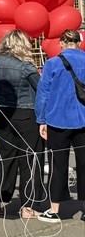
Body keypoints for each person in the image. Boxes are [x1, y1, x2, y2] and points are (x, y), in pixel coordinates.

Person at [0, 30, 44, 218]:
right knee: (30, 159)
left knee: (2, 158)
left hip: (1, 114)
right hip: (25, 113)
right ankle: (28, 205)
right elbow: (41, 89)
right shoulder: (26, 66)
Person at [34, 28, 85, 223]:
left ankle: (55, 208)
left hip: (58, 119)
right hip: (83, 119)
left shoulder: (53, 63)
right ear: (79, 42)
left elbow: (43, 94)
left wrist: (41, 120)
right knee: (84, 163)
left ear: (61, 43)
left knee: (58, 164)